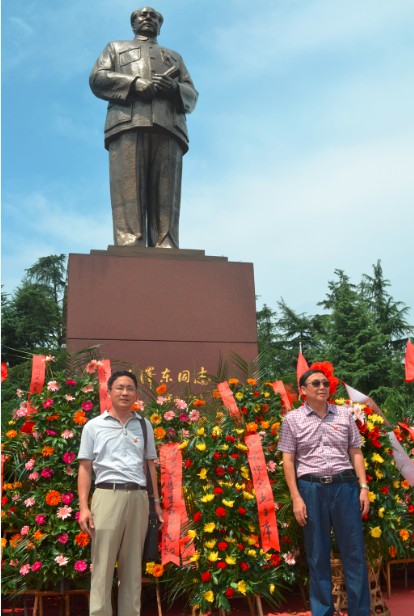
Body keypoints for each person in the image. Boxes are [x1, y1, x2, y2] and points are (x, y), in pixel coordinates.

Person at [90, 7, 198, 249]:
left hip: (169, 126)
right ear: (133, 24)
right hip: (127, 122)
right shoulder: (115, 48)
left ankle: (166, 242)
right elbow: (98, 78)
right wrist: (134, 83)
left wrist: (174, 89)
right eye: (143, 15)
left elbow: (192, 94)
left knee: (166, 194)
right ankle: (130, 242)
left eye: (155, 17)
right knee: (127, 189)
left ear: (160, 25)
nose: (148, 18)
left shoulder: (174, 57)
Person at [278, 365, 371, 616]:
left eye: (325, 383)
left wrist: (363, 487)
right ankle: (322, 612)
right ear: (303, 390)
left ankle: (360, 612)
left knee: (354, 554)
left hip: (345, 487)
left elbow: (355, 452)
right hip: (311, 489)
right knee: (318, 556)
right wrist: (296, 497)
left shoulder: (343, 415)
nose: (322, 387)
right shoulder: (292, 419)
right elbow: (288, 460)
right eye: (316, 383)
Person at [78, 370, 163, 616]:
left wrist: (155, 502)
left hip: (138, 498)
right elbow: (85, 468)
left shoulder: (144, 425)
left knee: (132, 567)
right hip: (106, 496)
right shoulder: (93, 426)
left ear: (136, 393)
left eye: (130, 388)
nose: (125, 393)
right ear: (109, 392)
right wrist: (84, 506)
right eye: (119, 388)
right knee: (102, 565)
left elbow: (150, 467)